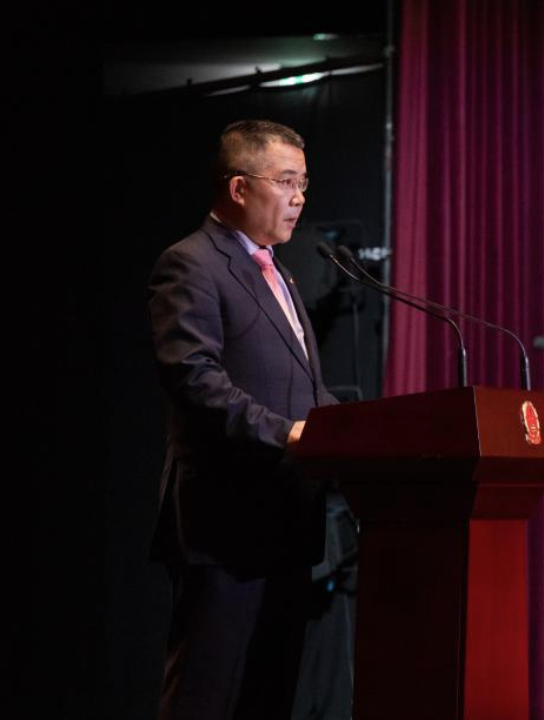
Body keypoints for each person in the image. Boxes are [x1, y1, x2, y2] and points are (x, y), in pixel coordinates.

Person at [147, 120, 337, 720]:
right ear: (238, 187)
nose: (299, 197)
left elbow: (306, 388)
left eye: (304, 183)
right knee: (207, 698)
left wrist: (355, 435)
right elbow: (195, 380)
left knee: (268, 696)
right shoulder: (191, 264)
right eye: (286, 181)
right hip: (224, 527)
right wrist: (287, 433)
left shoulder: (278, 271)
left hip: (285, 520)